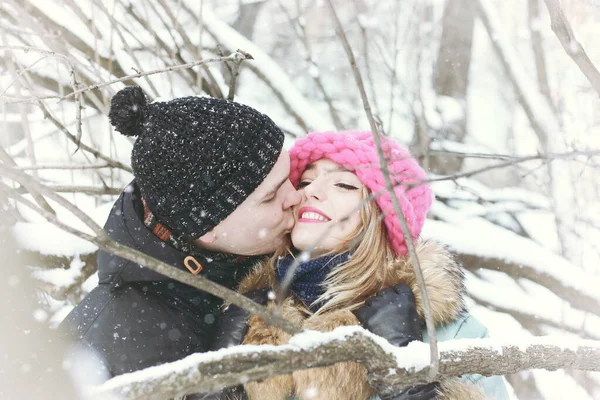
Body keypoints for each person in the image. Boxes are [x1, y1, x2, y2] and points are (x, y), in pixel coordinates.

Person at [213, 131, 510, 399]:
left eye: (343, 184)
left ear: (382, 218)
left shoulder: (451, 336)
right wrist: (214, 389)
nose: (311, 191)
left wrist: (410, 383)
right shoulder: (241, 313)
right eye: (305, 181)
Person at [60, 86, 302, 377]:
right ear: (208, 226)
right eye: (271, 195)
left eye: (289, 176)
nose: (296, 197)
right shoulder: (111, 351)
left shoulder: (250, 252)